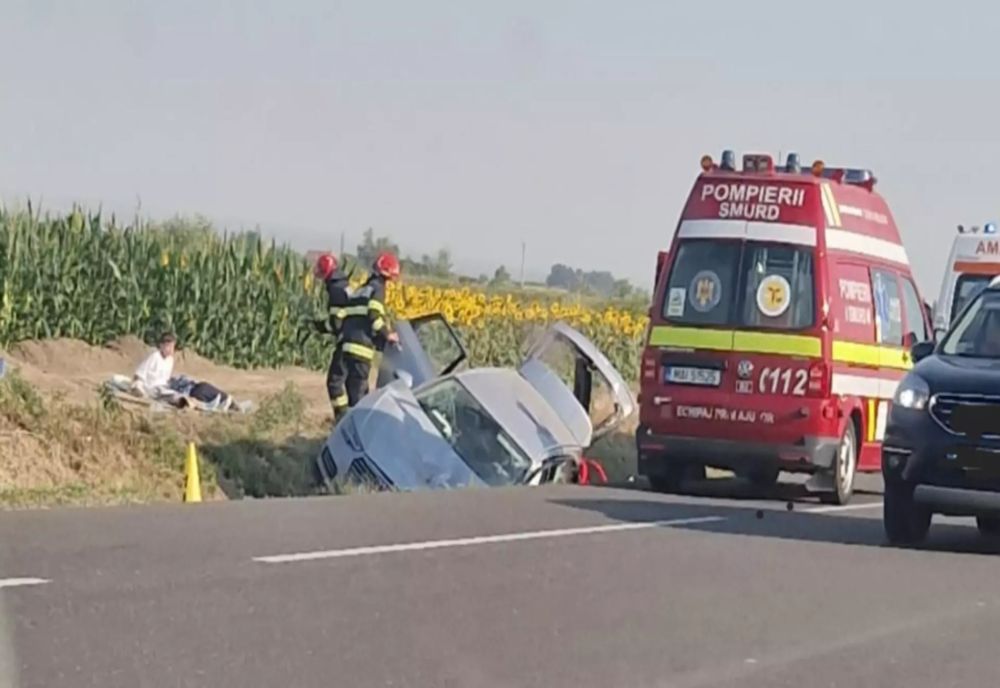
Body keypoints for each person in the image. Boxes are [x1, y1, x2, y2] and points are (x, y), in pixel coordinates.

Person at [327, 251, 401, 421]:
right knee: (358, 395)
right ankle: (359, 425)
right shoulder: (378, 289)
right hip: (361, 350)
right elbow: (374, 317)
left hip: (345, 346)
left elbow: (344, 316)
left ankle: (342, 419)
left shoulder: (362, 289)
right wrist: (388, 335)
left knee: (340, 385)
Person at [311, 253, 352, 418]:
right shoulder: (344, 285)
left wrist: (321, 326)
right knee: (353, 385)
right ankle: (350, 417)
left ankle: (341, 418)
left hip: (347, 342)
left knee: (334, 383)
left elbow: (336, 323)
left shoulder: (335, 290)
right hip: (354, 339)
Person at [132, 332, 177, 398]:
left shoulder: (170, 360)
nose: (171, 349)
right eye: (168, 346)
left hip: (162, 387)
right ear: (161, 346)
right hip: (150, 386)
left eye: (172, 347)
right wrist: (137, 383)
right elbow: (139, 373)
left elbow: (166, 379)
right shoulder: (154, 356)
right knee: (139, 385)